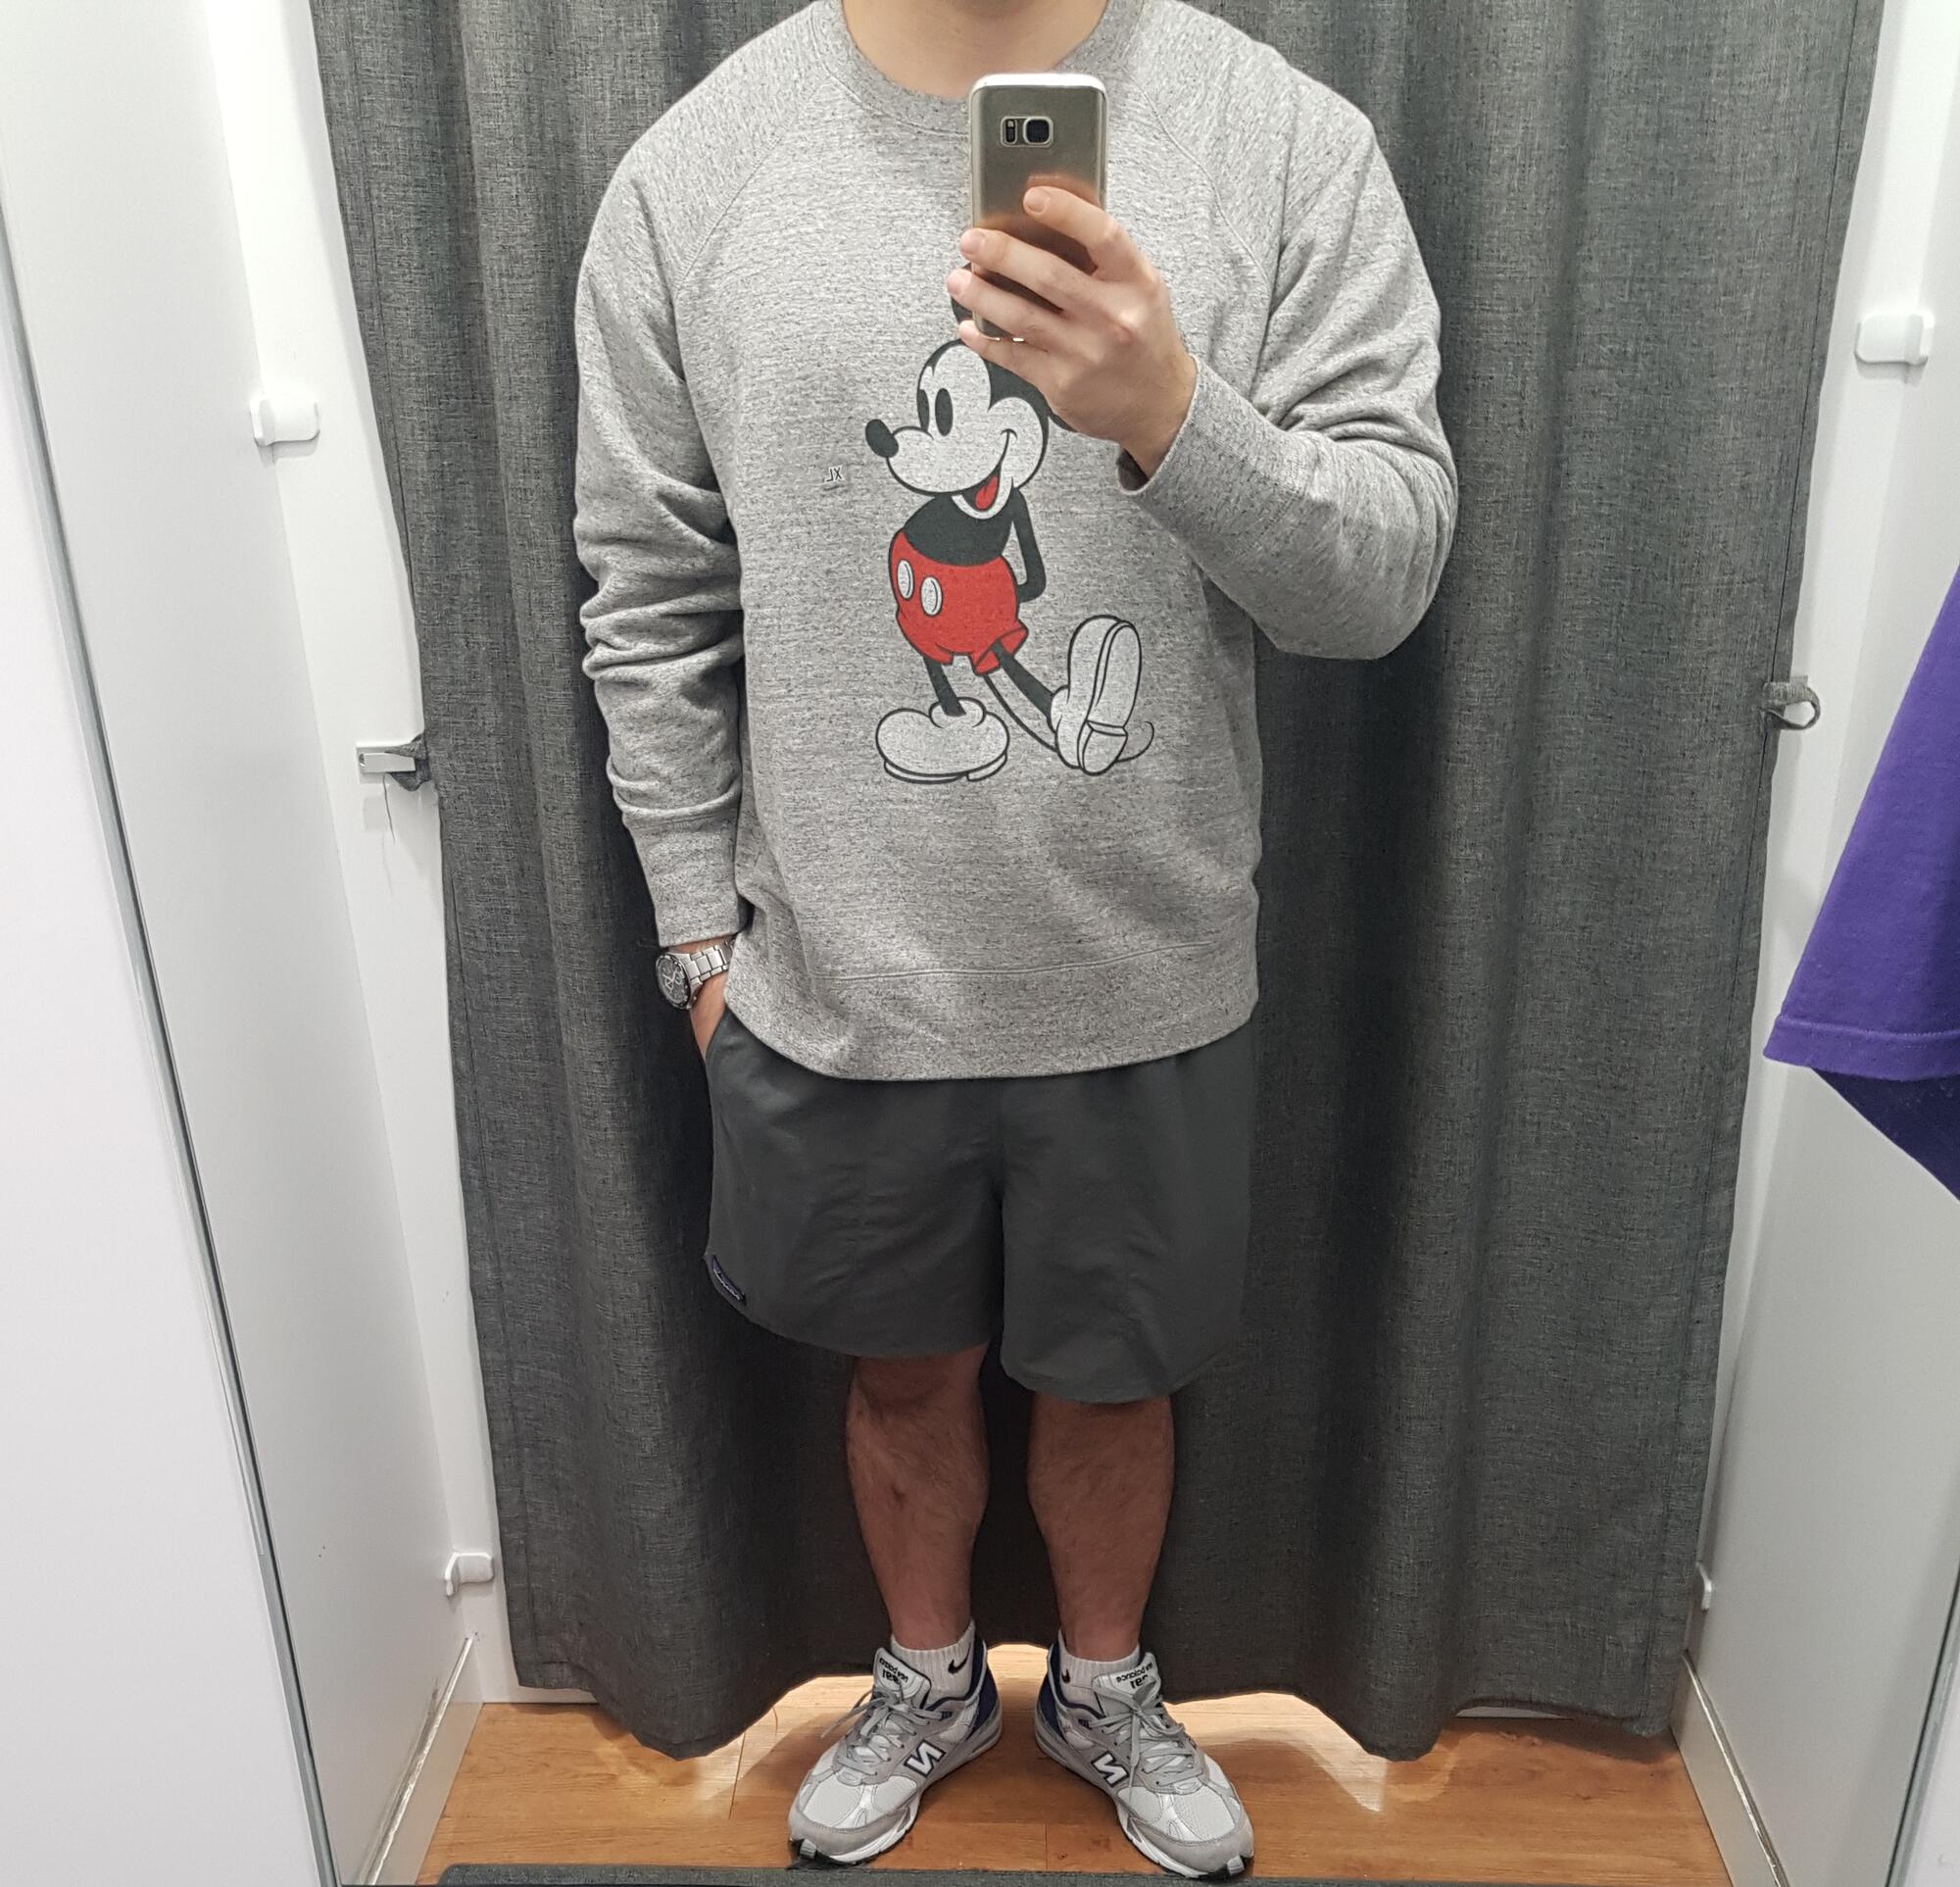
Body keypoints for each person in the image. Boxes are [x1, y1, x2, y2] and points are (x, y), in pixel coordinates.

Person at [573, 0, 1454, 1873]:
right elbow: (649, 598)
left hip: (1150, 973)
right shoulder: (694, 176)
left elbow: (1382, 576)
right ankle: (927, 1675)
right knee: (894, 1373)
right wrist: (697, 945)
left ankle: (1107, 1686)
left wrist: (1169, 416)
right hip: (829, 978)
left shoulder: (1280, 144)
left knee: (1118, 1377)